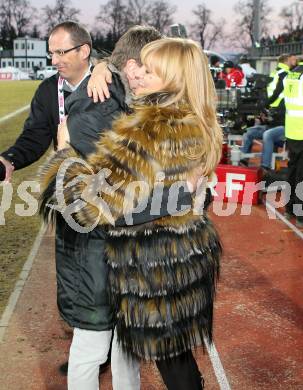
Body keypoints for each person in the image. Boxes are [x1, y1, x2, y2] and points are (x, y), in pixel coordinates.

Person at [40, 37, 223, 390]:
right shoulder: (195, 116)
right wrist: (106, 66)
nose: (136, 72)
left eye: (149, 69)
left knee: (172, 362)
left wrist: (63, 154)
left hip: (152, 262)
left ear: (172, 77)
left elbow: (92, 204)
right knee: (176, 357)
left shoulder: (149, 125)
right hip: (184, 252)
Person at [1, 21, 170, 390]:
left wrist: (105, 68)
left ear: (85, 51)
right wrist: (10, 159)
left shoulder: (114, 85)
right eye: (51, 52)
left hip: (115, 216)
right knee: (100, 322)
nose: (55, 59)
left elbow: (134, 66)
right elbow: (34, 135)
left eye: (62, 51)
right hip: (88, 214)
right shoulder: (50, 91)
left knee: (114, 332)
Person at [283, 57, 303, 228]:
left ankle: (289, 207)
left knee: (292, 169)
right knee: (301, 174)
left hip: (292, 129)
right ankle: (300, 212)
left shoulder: (290, 75)